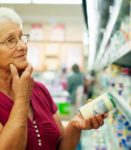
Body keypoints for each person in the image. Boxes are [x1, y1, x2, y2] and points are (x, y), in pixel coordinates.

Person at [0, 7, 107, 150]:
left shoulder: (39, 90)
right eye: (10, 40)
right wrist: (22, 99)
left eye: (21, 37)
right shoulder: (24, 94)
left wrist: (75, 125)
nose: (22, 46)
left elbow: (61, 147)